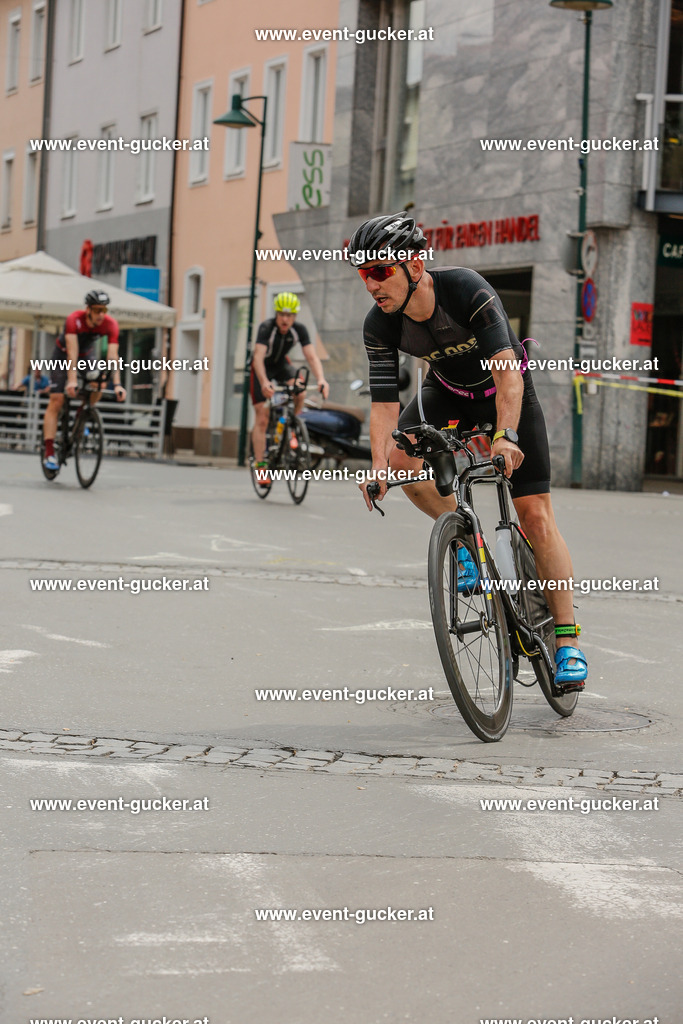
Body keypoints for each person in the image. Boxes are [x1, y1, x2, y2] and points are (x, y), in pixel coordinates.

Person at [351, 212, 586, 690]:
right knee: (403, 464)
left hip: (506, 393)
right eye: (363, 274)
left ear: (414, 266)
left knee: (535, 515)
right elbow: (383, 406)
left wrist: (506, 435)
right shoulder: (379, 324)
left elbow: (507, 375)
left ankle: (567, 642)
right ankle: (467, 551)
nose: (371, 284)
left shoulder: (467, 290)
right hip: (447, 394)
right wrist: (377, 468)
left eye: (379, 271)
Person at [42, 290, 126, 472]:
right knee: (57, 399)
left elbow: (113, 357)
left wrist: (118, 384)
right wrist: (71, 382)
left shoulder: (110, 324)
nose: (101, 315)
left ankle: (82, 415)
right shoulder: (74, 319)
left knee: (100, 383)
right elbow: (71, 353)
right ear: (88, 309)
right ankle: (49, 451)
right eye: (97, 310)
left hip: (87, 355)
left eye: (104, 310)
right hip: (63, 355)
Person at [250, 292, 329, 477]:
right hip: (261, 369)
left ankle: (290, 424)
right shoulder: (267, 328)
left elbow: (311, 356)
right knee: (262, 416)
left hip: (281, 366)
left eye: (290, 315)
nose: (285, 319)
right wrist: (264, 382)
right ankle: (260, 465)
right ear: (276, 314)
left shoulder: (299, 329)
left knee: (300, 391)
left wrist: (321, 379)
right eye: (282, 315)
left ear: (294, 316)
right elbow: (258, 358)